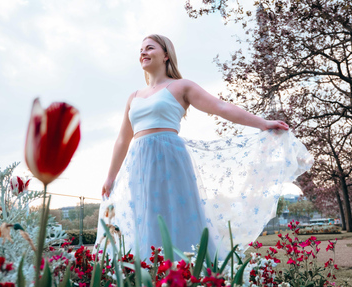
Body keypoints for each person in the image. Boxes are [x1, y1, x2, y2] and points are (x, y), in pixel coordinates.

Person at [96, 34, 312, 259]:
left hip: (171, 159)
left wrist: (262, 124)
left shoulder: (181, 86)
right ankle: (150, 278)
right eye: (141, 50)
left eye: (150, 48)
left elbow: (220, 107)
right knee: (145, 218)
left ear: (166, 55)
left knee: (178, 216)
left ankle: (193, 276)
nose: (143, 53)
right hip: (138, 165)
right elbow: (123, 138)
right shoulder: (134, 96)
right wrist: (110, 177)